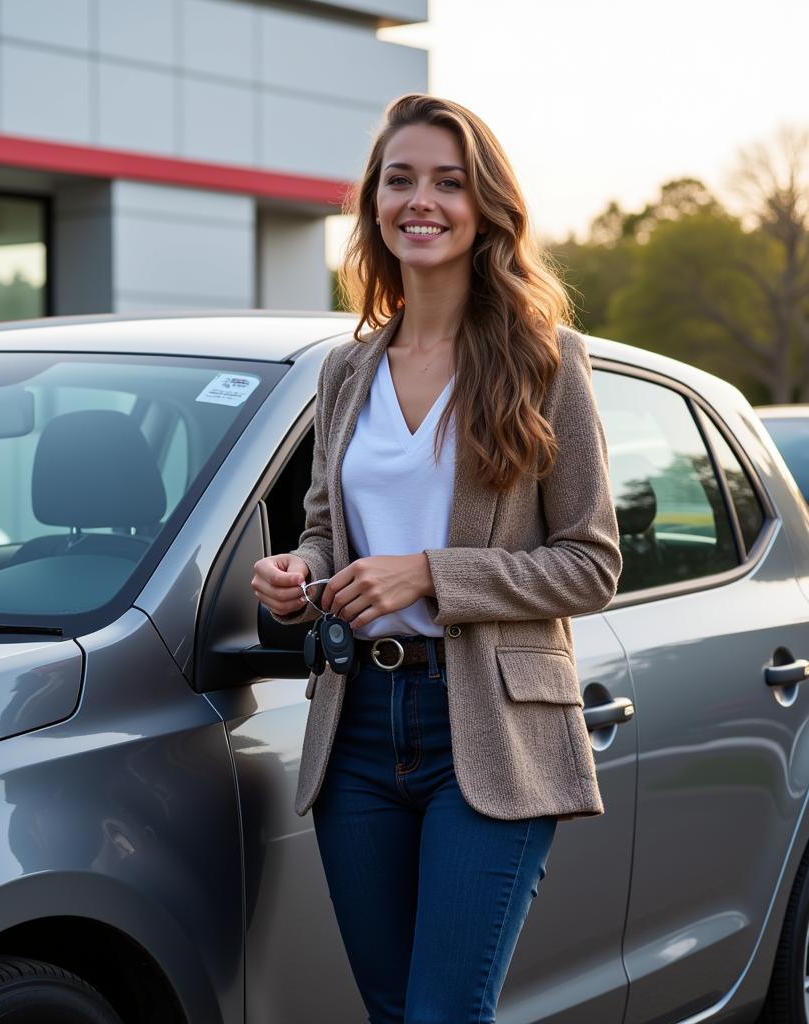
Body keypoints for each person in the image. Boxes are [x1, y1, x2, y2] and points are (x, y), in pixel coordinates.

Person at [249, 92, 622, 1024]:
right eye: (400, 178)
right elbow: (329, 529)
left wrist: (430, 574)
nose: (422, 200)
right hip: (359, 726)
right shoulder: (347, 369)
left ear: (484, 205)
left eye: (448, 182)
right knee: (389, 1010)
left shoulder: (546, 360)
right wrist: (300, 575)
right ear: (374, 202)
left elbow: (591, 563)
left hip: (490, 728)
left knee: (443, 1015)